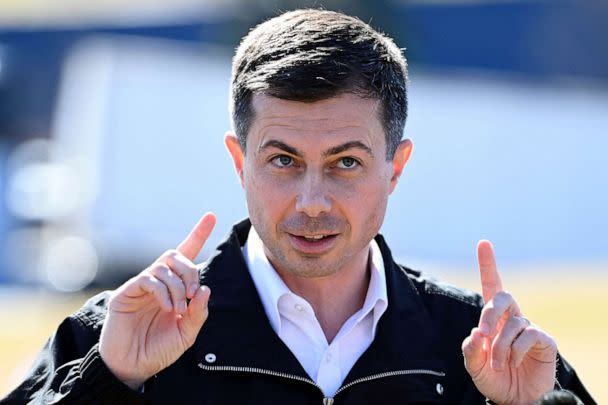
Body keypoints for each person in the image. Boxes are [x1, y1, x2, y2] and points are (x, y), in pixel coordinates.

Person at [1, 9, 595, 405]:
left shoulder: (479, 349)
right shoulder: (118, 338)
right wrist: (112, 382)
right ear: (240, 163)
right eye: (283, 160)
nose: (313, 202)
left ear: (397, 167)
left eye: (346, 163)